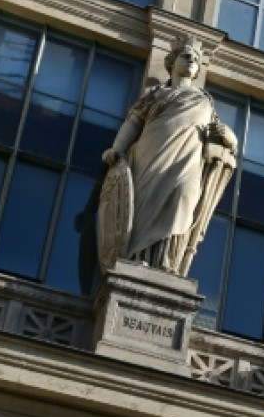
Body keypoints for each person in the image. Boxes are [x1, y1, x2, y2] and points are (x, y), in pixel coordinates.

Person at [99, 35, 237, 276]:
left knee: (182, 200)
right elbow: (133, 123)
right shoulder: (156, 95)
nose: (191, 61)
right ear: (172, 62)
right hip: (152, 155)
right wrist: (117, 149)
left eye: (195, 59)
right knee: (146, 206)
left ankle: (166, 262)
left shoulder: (204, 100)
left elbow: (226, 142)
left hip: (188, 162)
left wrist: (229, 136)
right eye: (186, 56)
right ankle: (138, 256)